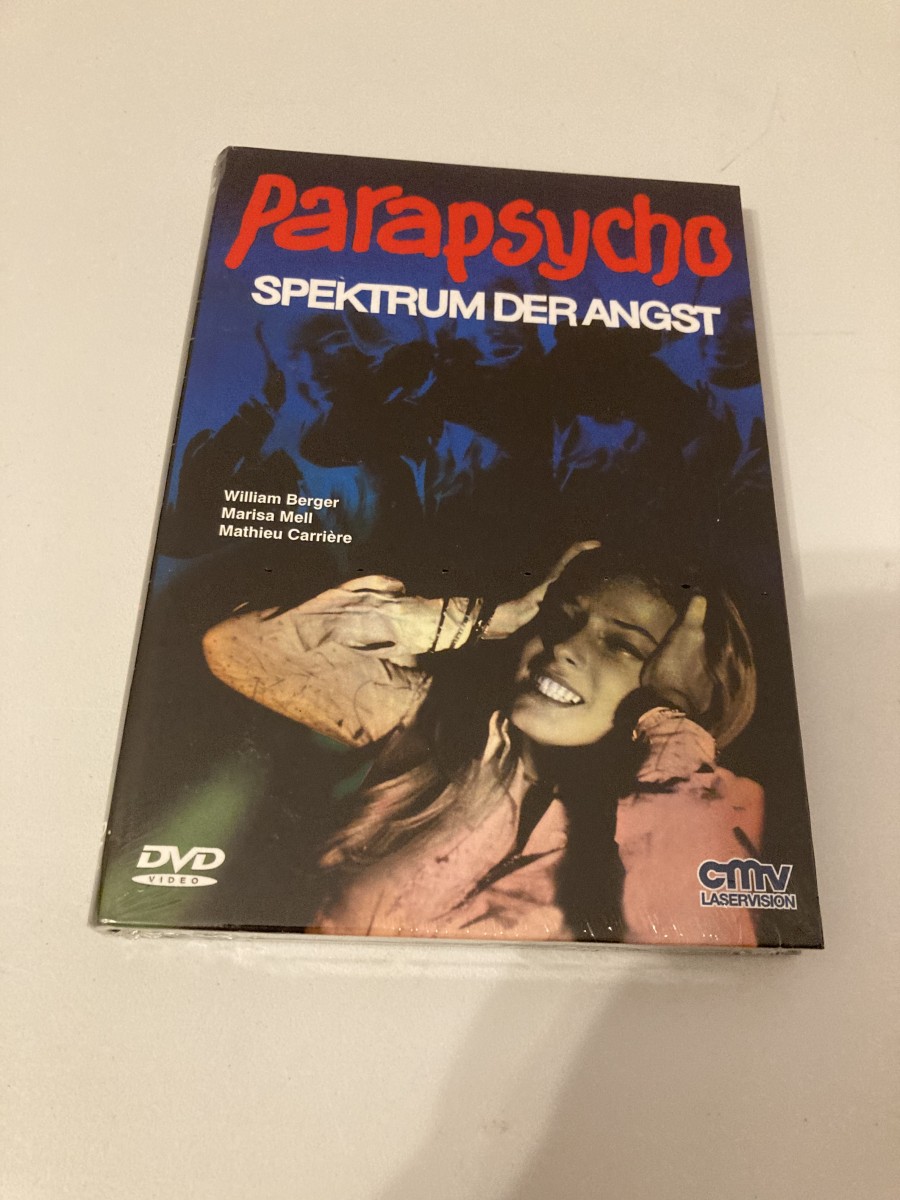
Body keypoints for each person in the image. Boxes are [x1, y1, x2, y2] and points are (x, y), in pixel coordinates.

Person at [202, 542, 762, 946]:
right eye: (560, 619)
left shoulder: (710, 816)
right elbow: (239, 647)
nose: (562, 646)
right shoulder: (436, 732)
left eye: (623, 646)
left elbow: (699, 946)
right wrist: (496, 618)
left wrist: (668, 718)